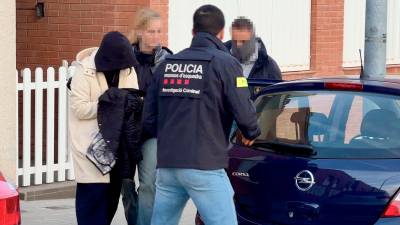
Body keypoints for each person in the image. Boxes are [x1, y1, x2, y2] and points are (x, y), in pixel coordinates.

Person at [143, 5, 261, 225]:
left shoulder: (167, 65)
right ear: (222, 33)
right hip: (204, 164)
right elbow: (244, 111)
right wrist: (251, 131)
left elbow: (148, 120)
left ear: (193, 33)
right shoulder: (226, 63)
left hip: (168, 165)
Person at [69, 31, 140, 225]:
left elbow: (130, 100)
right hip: (90, 147)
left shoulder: (128, 69)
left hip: (116, 146)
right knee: (92, 204)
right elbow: (79, 109)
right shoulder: (84, 71)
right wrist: (107, 104)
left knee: (109, 203)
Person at [121, 8, 172, 225]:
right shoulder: (125, 58)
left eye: (159, 31)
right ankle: (134, 220)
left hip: (152, 130)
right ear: (140, 32)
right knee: (125, 184)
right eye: (151, 31)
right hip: (126, 130)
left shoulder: (167, 60)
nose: (156, 36)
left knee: (149, 183)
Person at [225, 17, 282, 97]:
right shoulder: (221, 60)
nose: (238, 45)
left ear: (253, 39)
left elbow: (276, 101)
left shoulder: (269, 67)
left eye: (243, 41)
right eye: (235, 41)